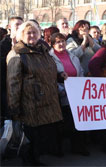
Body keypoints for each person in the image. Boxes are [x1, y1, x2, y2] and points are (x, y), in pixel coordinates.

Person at [6, 21, 63, 165]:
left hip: (47, 100)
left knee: (41, 134)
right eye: (28, 33)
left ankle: (35, 158)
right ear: (21, 35)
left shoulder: (43, 50)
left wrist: (59, 75)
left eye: (34, 32)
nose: (32, 35)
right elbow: (13, 83)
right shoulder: (17, 54)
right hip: (29, 102)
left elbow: (49, 70)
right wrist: (14, 107)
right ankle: (30, 161)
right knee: (31, 135)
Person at [49, 32, 90, 156]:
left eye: (63, 41)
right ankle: (58, 149)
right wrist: (60, 90)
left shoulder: (72, 56)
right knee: (62, 124)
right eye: (58, 42)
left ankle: (77, 146)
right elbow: (50, 78)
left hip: (75, 94)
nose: (61, 44)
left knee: (76, 122)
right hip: (60, 94)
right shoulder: (49, 58)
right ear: (52, 44)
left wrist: (81, 86)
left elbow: (80, 72)